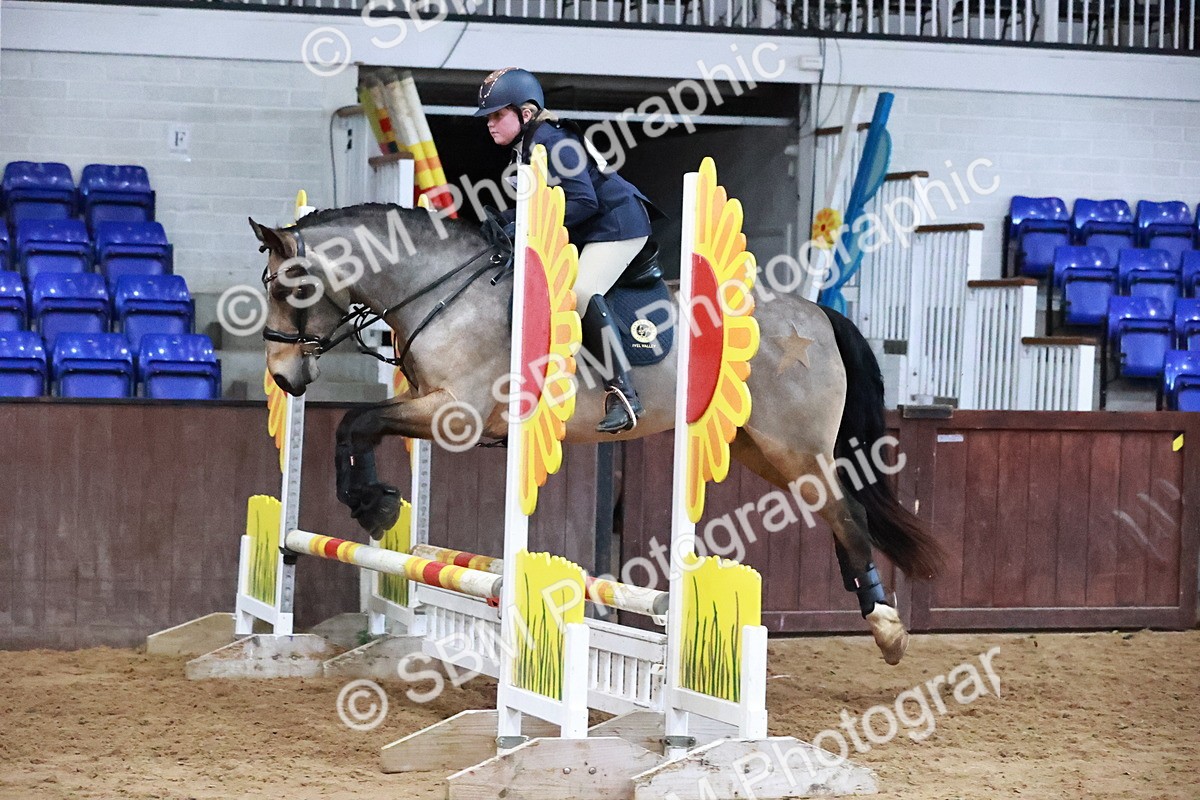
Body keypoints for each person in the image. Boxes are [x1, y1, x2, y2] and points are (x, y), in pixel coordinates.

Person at [475, 67, 660, 435]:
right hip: (595, 225)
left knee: (580, 292)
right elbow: (549, 202)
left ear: (525, 114)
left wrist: (522, 225)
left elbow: (583, 202)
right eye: (489, 117)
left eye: (498, 115)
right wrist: (505, 219)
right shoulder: (528, 145)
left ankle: (624, 395)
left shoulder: (552, 141)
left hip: (617, 223)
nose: (490, 124)